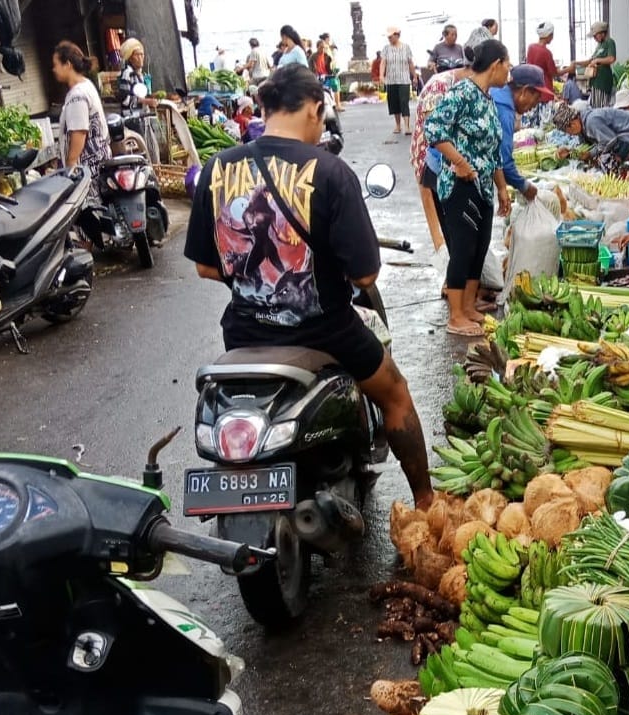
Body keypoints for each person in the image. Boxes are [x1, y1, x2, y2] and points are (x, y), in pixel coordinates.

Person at [184, 65, 433, 511]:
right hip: (324, 332)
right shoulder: (331, 172)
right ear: (316, 109)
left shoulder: (217, 168)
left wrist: (254, 282)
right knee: (395, 392)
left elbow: (206, 266)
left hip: (244, 333)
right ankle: (427, 501)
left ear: (263, 108)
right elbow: (365, 277)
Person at [423, 40, 512, 337]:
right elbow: (433, 128)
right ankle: (456, 315)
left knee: (479, 246)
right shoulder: (463, 92)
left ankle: (470, 305)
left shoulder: (487, 98)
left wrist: (501, 187)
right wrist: (459, 161)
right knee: (462, 249)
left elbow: (493, 148)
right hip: (460, 186)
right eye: (507, 65)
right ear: (496, 64)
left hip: (484, 186)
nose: (508, 72)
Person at [411, 55, 473, 261]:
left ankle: (452, 262)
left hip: (448, 157)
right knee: (437, 212)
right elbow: (434, 133)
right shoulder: (439, 86)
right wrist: (459, 161)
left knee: (454, 222)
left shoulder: (464, 87)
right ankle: (444, 259)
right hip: (430, 155)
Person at [492, 63, 555, 205]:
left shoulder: (496, 93)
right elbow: (504, 162)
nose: (536, 105)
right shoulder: (504, 112)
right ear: (525, 91)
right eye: (537, 98)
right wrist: (525, 187)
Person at [53, 41, 111, 176]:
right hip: (99, 162)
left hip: (86, 170)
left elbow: (79, 133)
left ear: (67, 65)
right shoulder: (86, 85)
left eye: (56, 65)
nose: (54, 69)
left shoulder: (77, 96)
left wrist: (70, 166)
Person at [550, 100, 629, 174]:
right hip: (620, 138)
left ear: (573, 124)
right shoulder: (581, 124)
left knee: (615, 166)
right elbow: (585, 146)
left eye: (569, 131)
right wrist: (570, 153)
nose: (571, 134)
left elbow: (609, 140)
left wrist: (590, 153)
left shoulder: (591, 121)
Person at [382, 27, 416, 135]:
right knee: (394, 103)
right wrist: (381, 75)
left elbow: (410, 63)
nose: (389, 39)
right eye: (388, 37)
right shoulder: (386, 48)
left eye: (391, 36)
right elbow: (383, 62)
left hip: (404, 79)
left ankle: (407, 125)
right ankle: (397, 125)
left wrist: (414, 76)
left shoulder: (406, 47)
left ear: (397, 35)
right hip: (391, 79)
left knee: (404, 102)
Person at [575, 22, 617, 107]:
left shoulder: (609, 42)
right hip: (595, 82)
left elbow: (612, 58)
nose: (594, 38)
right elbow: (590, 60)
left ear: (602, 33)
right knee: (595, 106)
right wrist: (576, 63)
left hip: (603, 82)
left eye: (595, 35)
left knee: (601, 106)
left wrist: (598, 60)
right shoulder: (599, 45)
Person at [525, 23, 569, 90]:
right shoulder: (546, 53)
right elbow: (554, 73)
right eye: (552, 35)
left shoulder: (530, 47)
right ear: (549, 35)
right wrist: (569, 69)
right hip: (545, 90)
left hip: (533, 89)